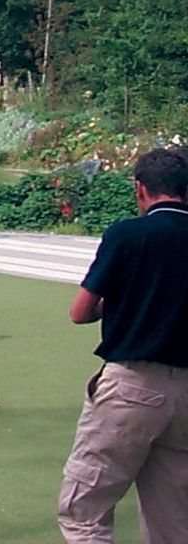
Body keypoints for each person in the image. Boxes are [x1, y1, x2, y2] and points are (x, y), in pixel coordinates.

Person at [57, 147, 188, 544]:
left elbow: (80, 311)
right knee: (174, 520)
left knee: (84, 511)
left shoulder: (126, 235)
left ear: (141, 189)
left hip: (132, 385)